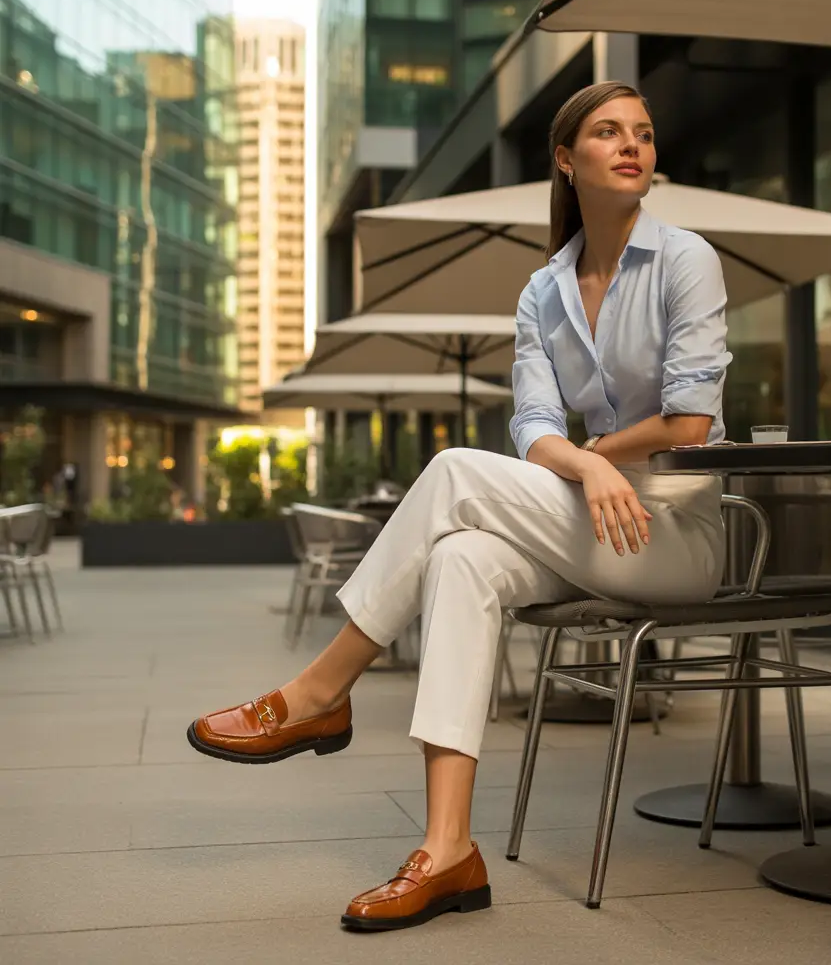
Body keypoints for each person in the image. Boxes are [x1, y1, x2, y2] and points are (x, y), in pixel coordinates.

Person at [187, 80, 732, 932]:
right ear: (566, 158)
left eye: (645, 134)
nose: (633, 145)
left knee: (448, 472)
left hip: (678, 531)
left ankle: (319, 691)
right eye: (607, 132)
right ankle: (448, 851)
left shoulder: (686, 259)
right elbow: (533, 427)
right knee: (459, 557)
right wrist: (587, 471)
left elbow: (691, 422)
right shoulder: (543, 292)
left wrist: (594, 458)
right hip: (595, 520)